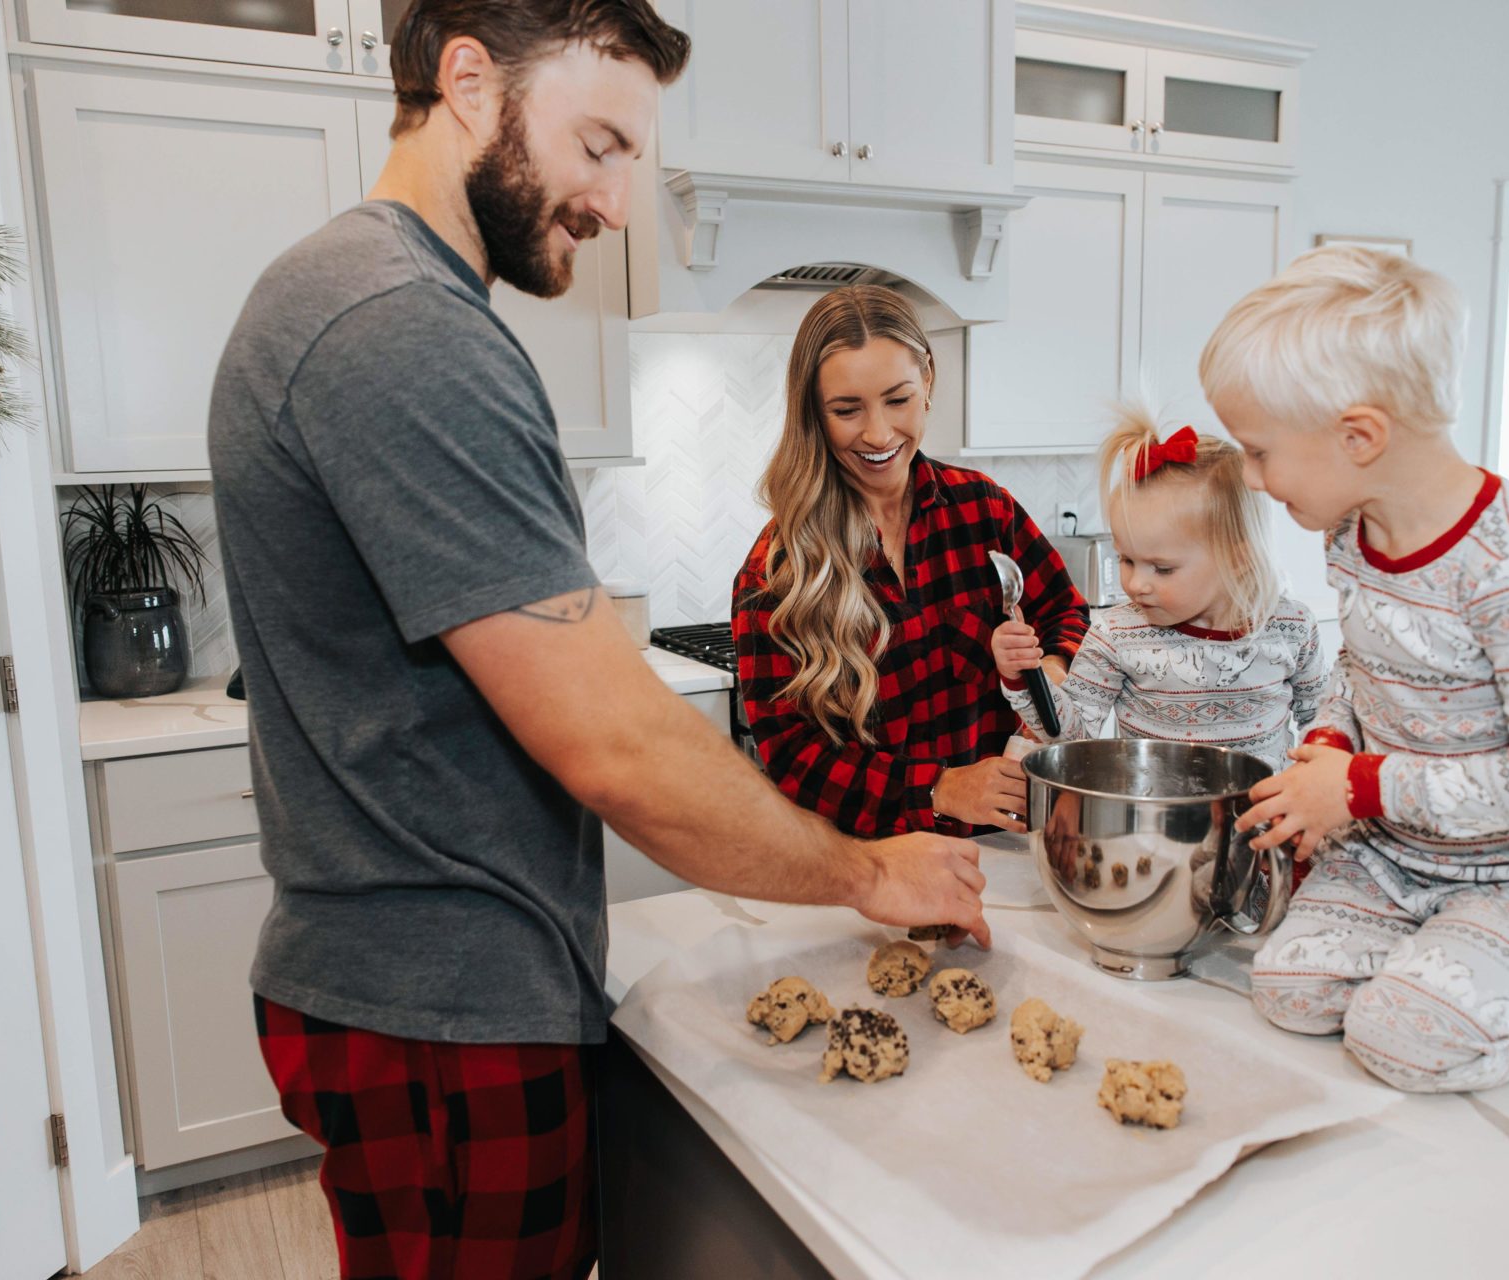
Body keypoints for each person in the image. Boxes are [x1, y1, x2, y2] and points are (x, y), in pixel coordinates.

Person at [208, 5, 988, 1276]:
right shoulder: (400, 327)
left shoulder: (360, 295)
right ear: (470, 80)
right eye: (601, 143)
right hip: (441, 1002)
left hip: (421, 992)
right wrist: (867, 871)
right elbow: (614, 744)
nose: (618, 203)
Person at [1201, 245, 1509, 1094]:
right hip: (1394, 857)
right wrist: (1329, 743)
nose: (1252, 480)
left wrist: (1360, 788)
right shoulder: (1349, 534)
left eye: (1259, 453)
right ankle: (1466, 961)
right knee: (1288, 991)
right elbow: (1361, 672)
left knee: (1399, 1042)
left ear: (1358, 436)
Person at [732, 285, 1089, 838]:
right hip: (867, 868)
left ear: (928, 382)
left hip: (1003, 849)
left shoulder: (984, 509)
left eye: (897, 400)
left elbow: (1068, 613)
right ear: (814, 415)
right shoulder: (778, 571)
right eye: (847, 410)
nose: (878, 434)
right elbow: (792, 757)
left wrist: (1046, 678)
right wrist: (938, 789)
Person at [991, 405, 1328, 771]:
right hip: (1149, 823)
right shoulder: (1117, 633)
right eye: (1126, 560)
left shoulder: (1292, 628)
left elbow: (1321, 724)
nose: (1136, 584)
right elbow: (1068, 734)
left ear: (1238, 559)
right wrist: (1025, 676)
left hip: (1259, 822)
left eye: (1162, 569)